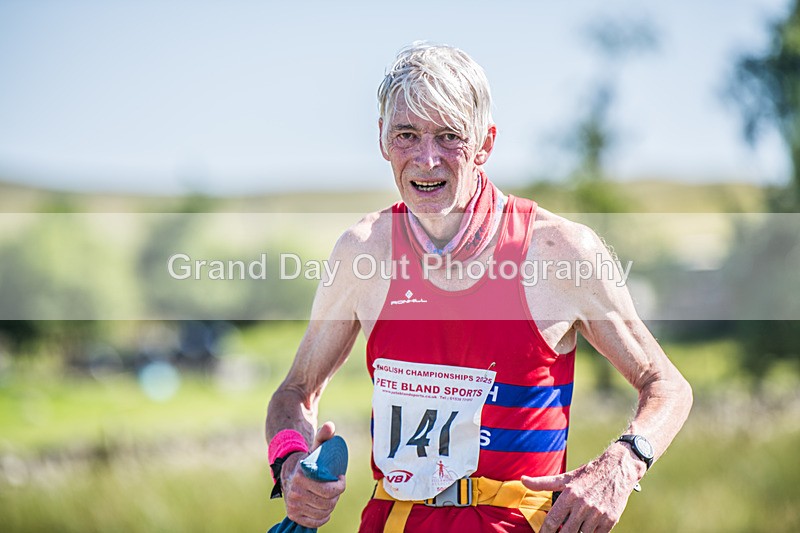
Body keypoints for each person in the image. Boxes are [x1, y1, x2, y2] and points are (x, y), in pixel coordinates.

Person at [265, 41, 692, 533]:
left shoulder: (558, 251)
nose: (427, 160)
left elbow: (667, 387)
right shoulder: (364, 251)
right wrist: (291, 464)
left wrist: (622, 464)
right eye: (407, 135)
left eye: (449, 137)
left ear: (485, 143)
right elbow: (295, 391)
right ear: (382, 140)